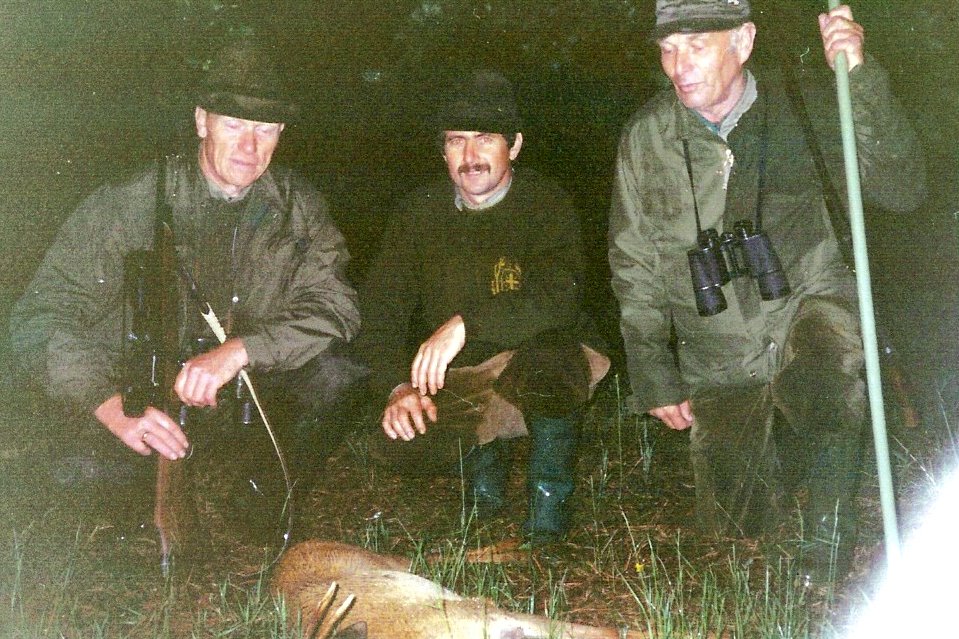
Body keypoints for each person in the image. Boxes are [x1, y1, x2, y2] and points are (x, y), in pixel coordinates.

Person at [608, 0, 925, 584]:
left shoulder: (807, 106)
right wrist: (653, 371)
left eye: (696, 46)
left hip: (807, 305)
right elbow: (634, 265)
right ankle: (794, 441)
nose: (679, 66)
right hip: (719, 347)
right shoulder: (646, 139)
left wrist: (859, 79)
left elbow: (902, 188)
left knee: (829, 371)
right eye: (668, 49)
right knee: (735, 525)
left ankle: (827, 539)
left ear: (744, 41)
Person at [9, 40, 363, 538]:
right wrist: (111, 407)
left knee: (338, 375)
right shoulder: (131, 202)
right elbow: (38, 320)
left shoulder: (297, 206)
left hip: (243, 393)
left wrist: (240, 351)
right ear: (202, 122)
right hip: (140, 399)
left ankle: (258, 490)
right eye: (234, 125)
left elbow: (337, 307)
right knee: (82, 483)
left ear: (281, 133)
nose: (249, 146)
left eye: (265, 129)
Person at [354, 70, 609, 544]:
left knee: (552, 361)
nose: (470, 157)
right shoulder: (416, 214)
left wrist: (465, 325)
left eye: (486, 138)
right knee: (397, 444)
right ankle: (482, 501)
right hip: (466, 373)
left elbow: (559, 297)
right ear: (443, 151)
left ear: (514, 145)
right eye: (457, 141)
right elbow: (378, 314)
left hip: (542, 357)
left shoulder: (547, 204)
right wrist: (396, 388)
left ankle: (548, 514)